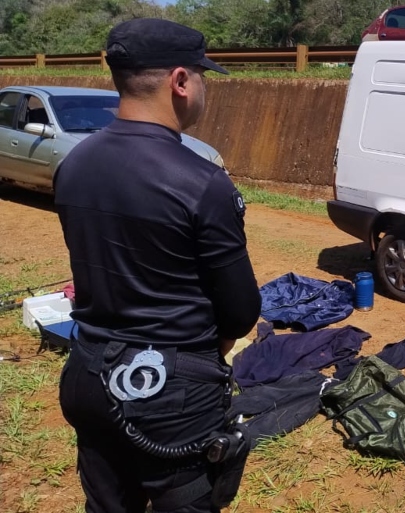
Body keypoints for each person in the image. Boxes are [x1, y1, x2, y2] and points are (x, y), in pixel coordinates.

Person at [53, 18, 262, 513]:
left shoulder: (74, 163)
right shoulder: (202, 181)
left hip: (87, 372)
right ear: (181, 81)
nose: (204, 89)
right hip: (169, 393)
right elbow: (240, 310)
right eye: (202, 76)